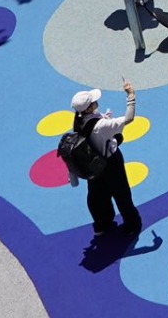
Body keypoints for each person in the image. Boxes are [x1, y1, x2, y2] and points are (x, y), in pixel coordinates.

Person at [66, 82, 142, 236]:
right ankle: (132, 225)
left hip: (92, 165)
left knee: (97, 196)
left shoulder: (78, 121)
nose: (96, 102)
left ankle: (102, 224)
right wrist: (131, 96)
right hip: (110, 163)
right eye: (93, 101)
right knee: (122, 194)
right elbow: (129, 118)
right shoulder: (101, 126)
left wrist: (103, 119)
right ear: (89, 108)